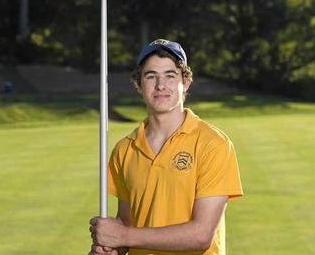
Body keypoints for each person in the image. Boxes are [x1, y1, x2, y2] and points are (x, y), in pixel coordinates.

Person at [89, 39, 243, 255]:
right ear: (139, 84)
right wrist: (110, 246)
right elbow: (127, 224)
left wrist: (124, 236)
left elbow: (201, 235)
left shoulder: (213, 144)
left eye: (170, 76)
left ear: (185, 83)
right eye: (151, 76)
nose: (161, 85)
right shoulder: (124, 150)